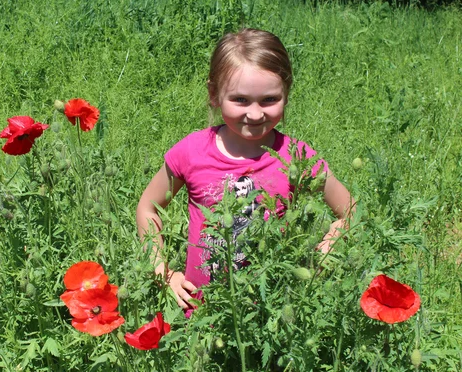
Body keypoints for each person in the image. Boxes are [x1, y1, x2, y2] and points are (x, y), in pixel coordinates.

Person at [136, 28, 355, 310]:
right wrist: (162, 272)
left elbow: (351, 211)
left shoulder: (296, 158)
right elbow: (147, 207)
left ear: (286, 94)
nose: (255, 114)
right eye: (240, 100)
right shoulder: (191, 152)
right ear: (214, 94)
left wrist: (332, 241)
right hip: (200, 316)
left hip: (272, 313)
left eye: (269, 100)